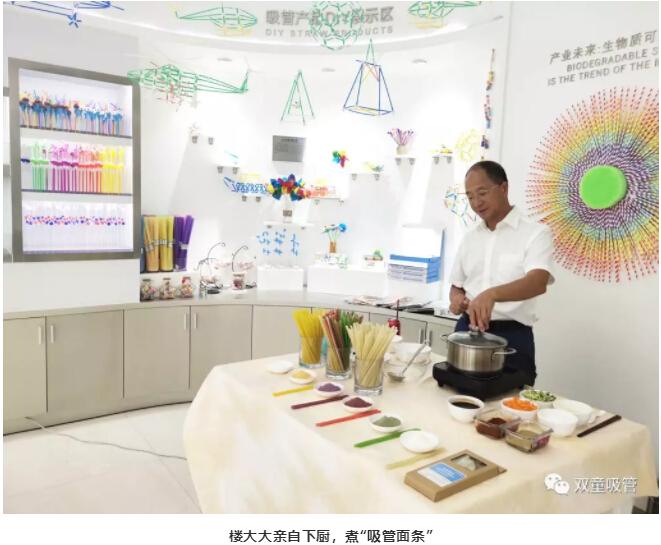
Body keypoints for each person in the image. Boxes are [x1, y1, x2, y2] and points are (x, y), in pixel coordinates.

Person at [449, 161, 554, 379]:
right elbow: (456, 286)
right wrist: (457, 300)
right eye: (470, 197)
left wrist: (492, 294)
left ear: (504, 188)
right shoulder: (470, 238)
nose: (476, 203)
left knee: (513, 397)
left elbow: (538, 282)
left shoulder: (535, 233)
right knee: (456, 392)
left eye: (482, 193)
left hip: (512, 337)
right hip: (467, 331)